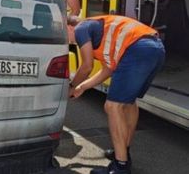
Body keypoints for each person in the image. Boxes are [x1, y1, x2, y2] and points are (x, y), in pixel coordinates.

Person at [67, 15, 165, 174]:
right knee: (128, 103)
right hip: (155, 48)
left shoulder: (81, 28)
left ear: (69, 26)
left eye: (66, 35)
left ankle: (120, 166)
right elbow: (108, 69)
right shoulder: (102, 33)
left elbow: (86, 66)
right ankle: (124, 152)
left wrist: (71, 86)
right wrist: (82, 87)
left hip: (138, 50)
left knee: (113, 106)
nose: (70, 41)